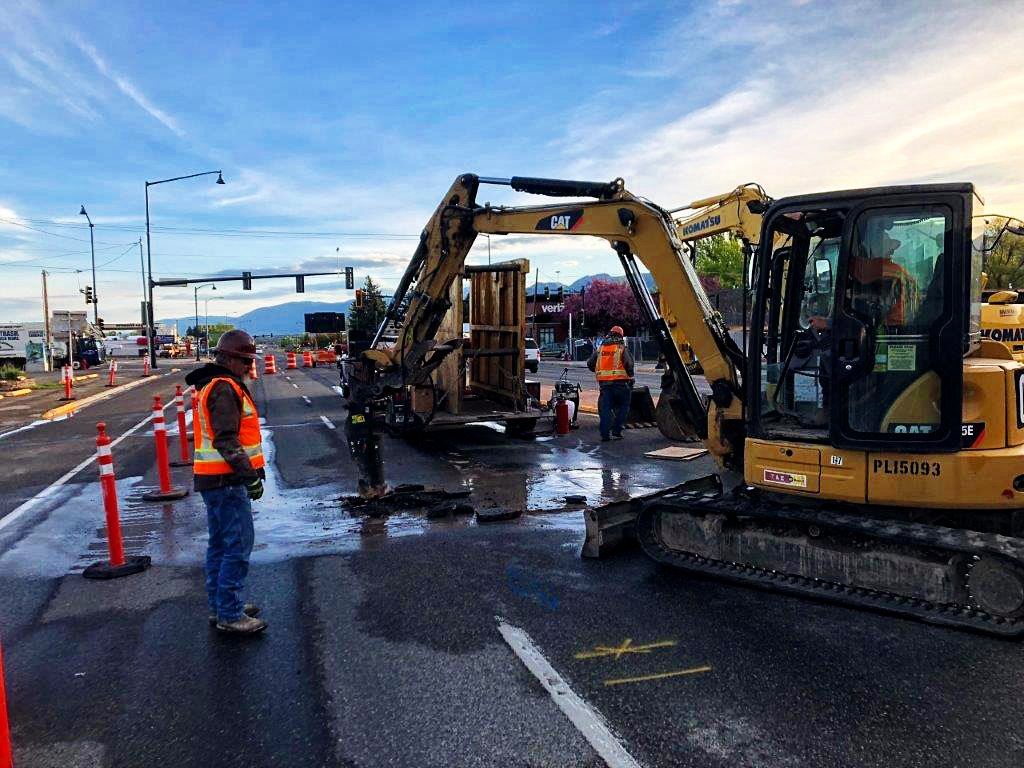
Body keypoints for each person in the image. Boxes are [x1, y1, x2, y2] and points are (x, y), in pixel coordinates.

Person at [184, 329, 268, 635]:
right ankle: (230, 613)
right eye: (245, 361)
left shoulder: (215, 385)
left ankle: (221, 604)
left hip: (214, 480)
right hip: (227, 481)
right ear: (230, 359)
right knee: (238, 545)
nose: (249, 367)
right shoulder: (223, 388)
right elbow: (227, 440)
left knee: (220, 545)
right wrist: (250, 479)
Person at [587, 325, 634, 441]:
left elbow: (590, 363)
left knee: (606, 409)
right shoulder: (621, 347)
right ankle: (617, 431)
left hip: (605, 385)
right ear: (620, 336)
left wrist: (599, 371)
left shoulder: (601, 348)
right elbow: (629, 364)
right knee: (624, 406)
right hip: (621, 384)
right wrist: (630, 375)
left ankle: (605, 434)